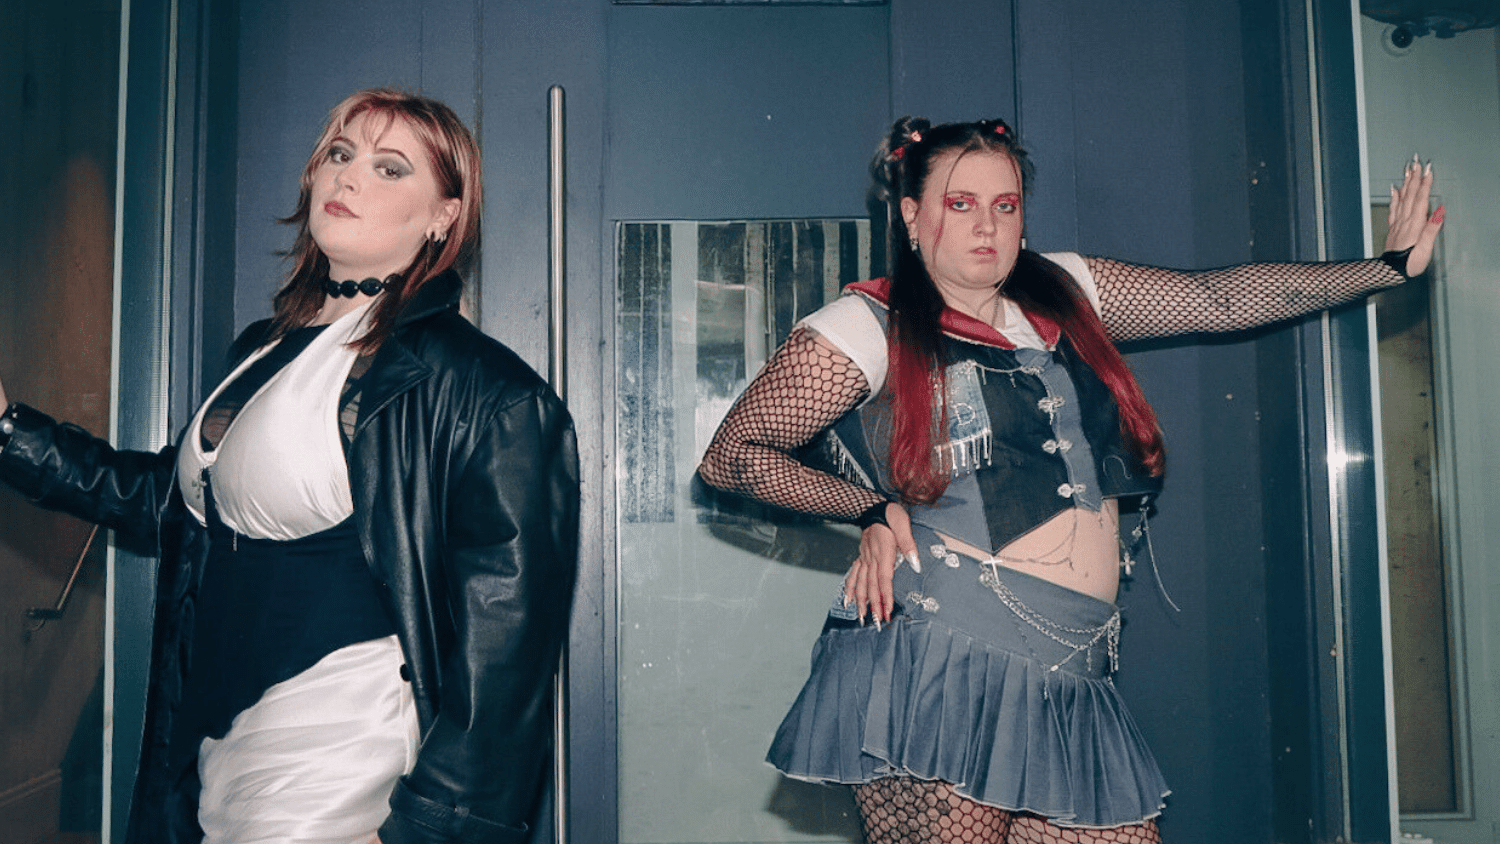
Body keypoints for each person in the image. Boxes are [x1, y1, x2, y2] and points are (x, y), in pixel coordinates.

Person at [697, 116, 1442, 843]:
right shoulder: (867, 324)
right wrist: (868, 509)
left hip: (1074, 671)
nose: (987, 226)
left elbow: (1217, 299)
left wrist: (1386, 269)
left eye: (1005, 205)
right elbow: (732, 454)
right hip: (942, 658)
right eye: (961, 204)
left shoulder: (1066, 289)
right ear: (913, 215)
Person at [0, 89, 579, 844]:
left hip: (338, 749)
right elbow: (165, 502)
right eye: (340, 153)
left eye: (390, 167)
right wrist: (10, 430)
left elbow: (505, 656)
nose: (349, 176)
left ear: (443, 215)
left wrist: (426, 830)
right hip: (213, 743)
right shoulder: (261, 350)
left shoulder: (487, 393)